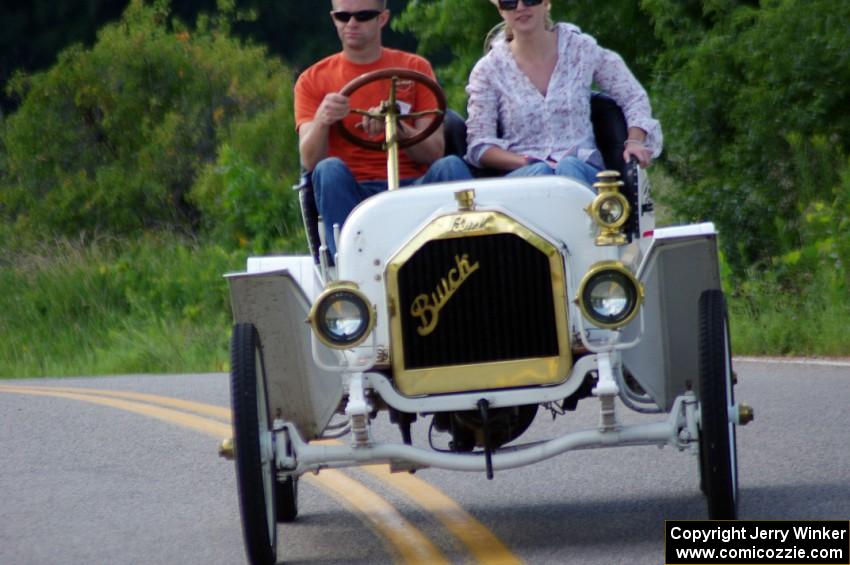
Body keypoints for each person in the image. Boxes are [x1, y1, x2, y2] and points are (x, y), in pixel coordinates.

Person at [295, 0, 472, 256]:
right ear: (334, 19)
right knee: (327, 170)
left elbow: (434, 153)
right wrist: (323, 119)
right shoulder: (312, 80)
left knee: (452, 166)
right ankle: (350, 267)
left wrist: (395, 125)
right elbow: (310, 162)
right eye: (343, 17)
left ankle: (469, 259)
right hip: (354, 192)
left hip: (416, 186)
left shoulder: (415, 68)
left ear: (383, 18)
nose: (352, 24)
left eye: (364, 16)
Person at [465, 0, 662, 187]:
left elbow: (632, 96)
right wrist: (525, 162)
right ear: (501, 9)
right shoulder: (487, 70)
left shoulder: (581, 49)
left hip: (582, 170)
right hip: (525, 177)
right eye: (509, 2)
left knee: (569, 167)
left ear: (546, 3)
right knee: (539, 173)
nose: (520, 7)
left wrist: (635, 141)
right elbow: (480, 145)